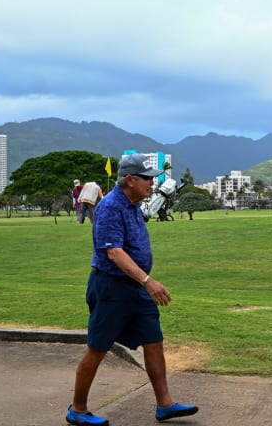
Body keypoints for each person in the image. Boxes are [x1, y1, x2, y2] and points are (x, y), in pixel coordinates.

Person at [66, 154, 198, 426]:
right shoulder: (111, 207)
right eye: (147, 178)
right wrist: (148, 281)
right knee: (98, 347)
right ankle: (77, 409)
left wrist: (143, 283)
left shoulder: (133, 204)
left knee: (154, 341)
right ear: (130, 179)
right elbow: (114, 252)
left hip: (136, 288)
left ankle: (165, 404)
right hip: (112, 288)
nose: (151, 182)